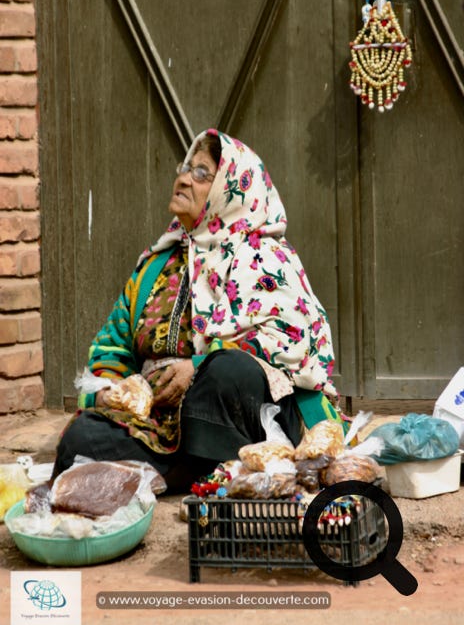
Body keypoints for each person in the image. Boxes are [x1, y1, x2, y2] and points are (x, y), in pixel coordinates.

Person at [53, 129, 344, 491]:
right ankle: (197, 470)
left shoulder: (266, 257)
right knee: (81, 438)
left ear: (230, 189)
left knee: (228, 371)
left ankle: (188, 468)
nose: (184, 179)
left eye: (202, 173)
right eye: (185, 168)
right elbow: (113, 344)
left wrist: (197, 366)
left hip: (241, 412)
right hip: (162, 423)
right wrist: (111, 390)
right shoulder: (155, 266)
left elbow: (291, 344)